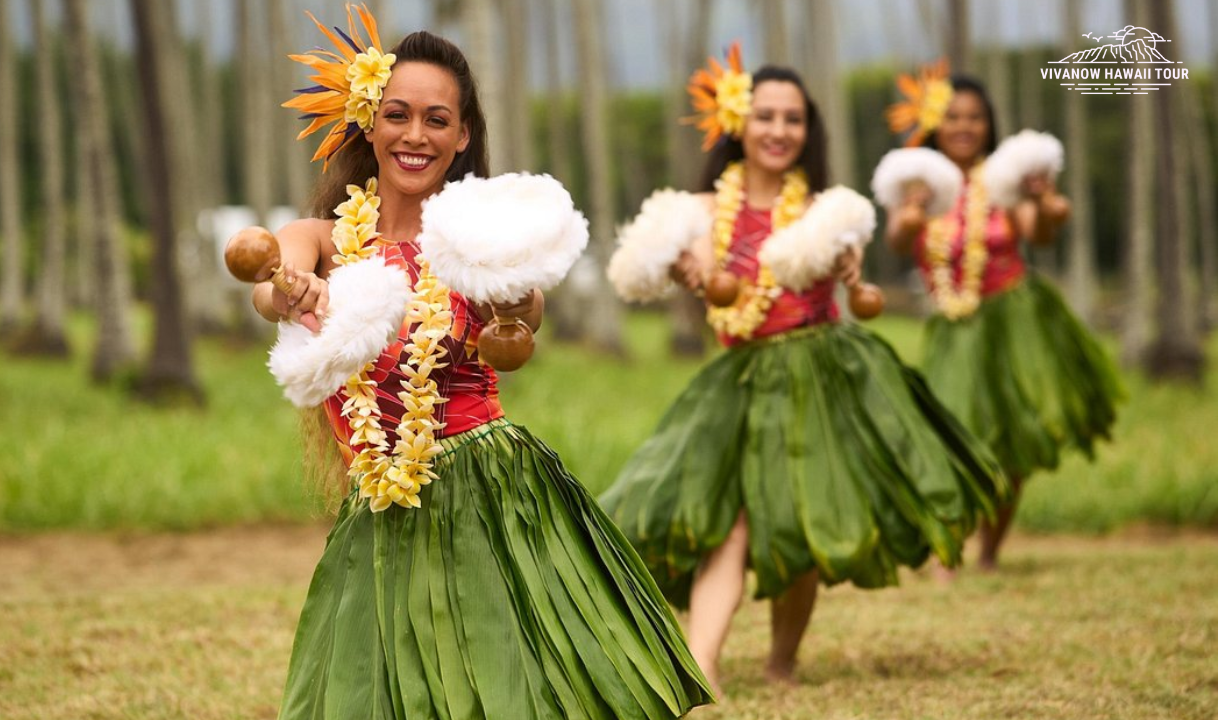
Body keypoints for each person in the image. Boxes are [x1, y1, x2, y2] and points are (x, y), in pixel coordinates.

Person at [256, 8, 711, 718]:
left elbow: (522, 314)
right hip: (380, 508)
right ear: (368, 124)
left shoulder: (478, 241)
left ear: (462, 135)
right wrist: (296, 289)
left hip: (489, 494)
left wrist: (514, 307)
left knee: (507, 692)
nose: (415, 135)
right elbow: (269, 281)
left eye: (437, 119)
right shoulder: (320, 237)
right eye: (398, 115)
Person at [600, 46, 1007, 697]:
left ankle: (781, 661)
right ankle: (702, 663)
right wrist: (694, 276)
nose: (778, 131)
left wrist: (851, 272)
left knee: (800, 523)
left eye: (792, 119)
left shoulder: (829, 210)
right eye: (765, 116)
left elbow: (860, 294)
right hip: (739, 381)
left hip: (819, 376)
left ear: (806, 129)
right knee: (727, 525)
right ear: (739, 121)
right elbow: (711, 291)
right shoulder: (701, 210)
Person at [881, 69, 1123, 570]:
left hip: (1013, 322)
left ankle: (990, 551)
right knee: (950, 440)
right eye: (953, 116)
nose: (965, 126)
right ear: (934, 123)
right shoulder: (917, 181)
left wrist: (1044, 201)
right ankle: (950, 553)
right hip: (953, 327)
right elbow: (899, 241)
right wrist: (910, 215)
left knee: (1011, 447)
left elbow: (1040, 230)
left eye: (975, 117)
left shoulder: (1003, 180)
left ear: (989, 125)